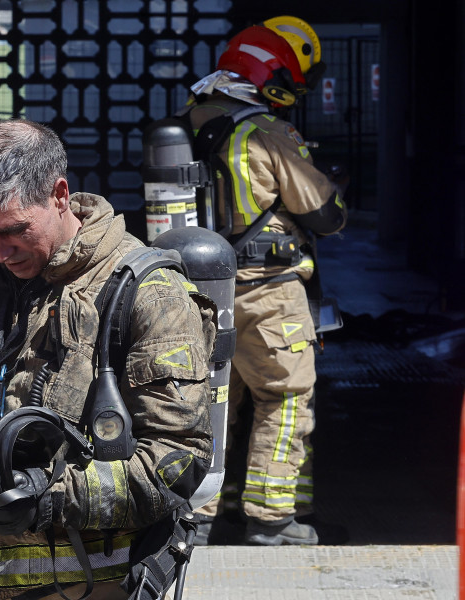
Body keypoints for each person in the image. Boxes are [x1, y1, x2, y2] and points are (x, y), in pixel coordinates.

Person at [0, 119, 216, 599]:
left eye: (14, 231)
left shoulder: (148, 295)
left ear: (60, 195)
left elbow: (177, 460)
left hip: (90, 585)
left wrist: (49, 497)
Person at [184, 16, 348, 545]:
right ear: (269, 73)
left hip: (197, 290)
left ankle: (206, 511)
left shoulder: (192, 119)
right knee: (284, 396)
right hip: (268, 290)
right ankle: (272, 519)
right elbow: (323, 211)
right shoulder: (267, 130)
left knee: (211, 401)